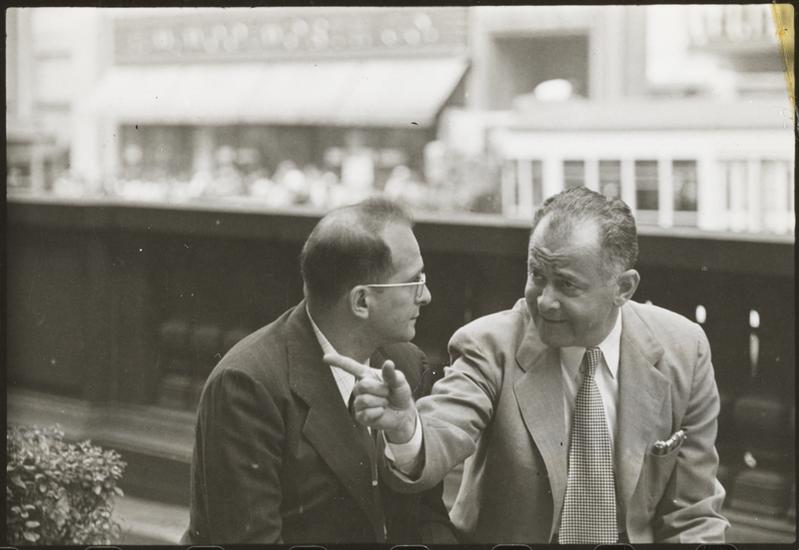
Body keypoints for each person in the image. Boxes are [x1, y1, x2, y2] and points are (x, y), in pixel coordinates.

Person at [329, 187, 729, 543]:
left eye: (567, 285)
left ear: (623, 288)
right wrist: (406, 429)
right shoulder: (489, 345)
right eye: (537, 275)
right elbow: (445, 428)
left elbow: (693, 514)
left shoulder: (683, 349)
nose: (545, 301)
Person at [181, 197, 455, 544]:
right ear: (361, 301)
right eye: (414, 281)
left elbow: (428, 518)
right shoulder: (246, 385)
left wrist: (407, 437)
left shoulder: (408, 364)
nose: (426, 295)